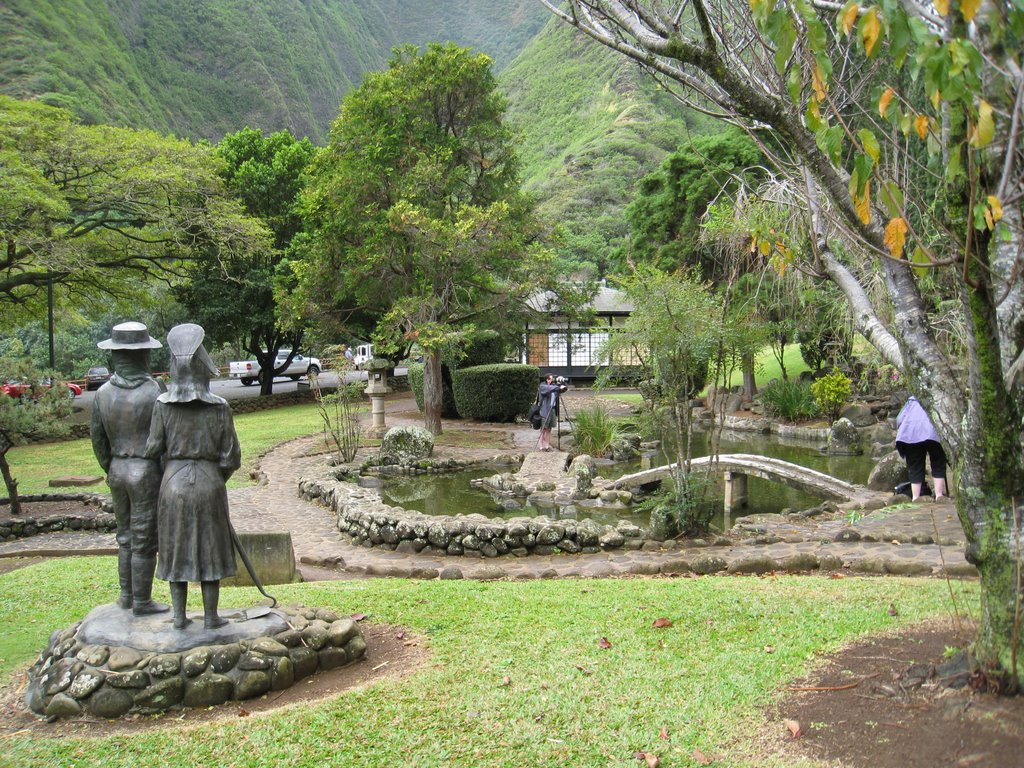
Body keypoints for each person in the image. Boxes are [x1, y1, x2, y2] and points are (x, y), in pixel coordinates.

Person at [145, 323, 241, 630]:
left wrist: (171, 471)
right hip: (210, 484)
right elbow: (231, 457)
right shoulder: (220, 408)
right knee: (210, 549)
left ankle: (178, 617)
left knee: (175, 549)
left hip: (172, 485)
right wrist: (212, 479)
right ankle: (211, 617)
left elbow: (153, 448)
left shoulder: (162, 406)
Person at [90, 322, 169, 616]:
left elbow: (98, 440)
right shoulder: (155, 391)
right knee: (144, 538)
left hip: (117, 470)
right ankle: (143, 601)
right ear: (143, 354)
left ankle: (126, 596)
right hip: (145, 471)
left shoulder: (102, 394)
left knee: (124, 537)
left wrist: (111, 466)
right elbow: (167, 436)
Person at [895, 395, 948, 501]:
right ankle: (939, 496)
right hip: (934, 434)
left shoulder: (911, 400)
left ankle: (915, 498)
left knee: (915, 466)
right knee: (938, 462)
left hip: (911, 435)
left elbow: (899, 419)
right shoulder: (938, 396)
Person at [536, 374, 568, 452]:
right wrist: (558, 387)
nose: (552, 380)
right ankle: (541, 446)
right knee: (543, 429)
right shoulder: (543, 386)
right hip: (545, 410)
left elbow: (563, 389)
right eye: (550, 379)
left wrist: (563, 383)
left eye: (552, 379)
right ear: (547, 379)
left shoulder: (554, 386)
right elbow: (549, 389)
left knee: (549, 429)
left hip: (552, 410)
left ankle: (547, 446)